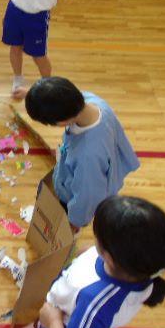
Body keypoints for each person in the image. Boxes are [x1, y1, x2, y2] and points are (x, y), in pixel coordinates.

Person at [37, 196, 165, 328]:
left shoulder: (93, 303)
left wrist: (53, 322)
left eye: (97, 236)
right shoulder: (140, 268)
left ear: (109, 256)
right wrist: (86, 254)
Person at [25, 77, 140, 231]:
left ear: (62, 122)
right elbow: (57, 95)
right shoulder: (91, 101)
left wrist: (75, 221)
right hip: (99, 173)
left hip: (75, 192)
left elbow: (87, 197)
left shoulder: (87, 157)